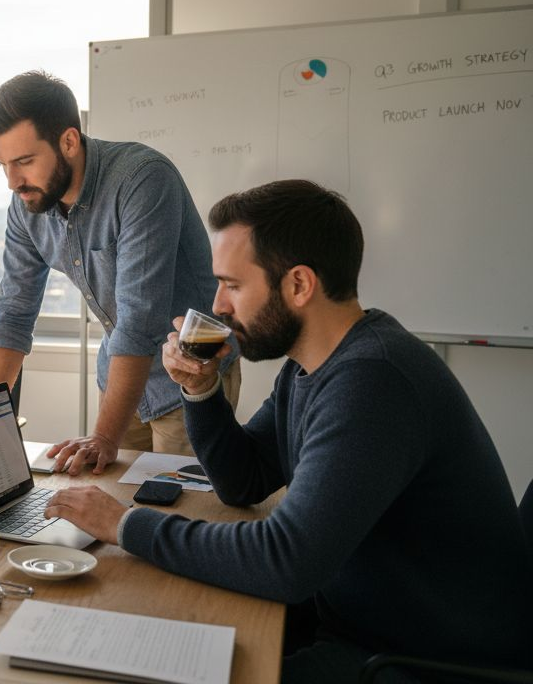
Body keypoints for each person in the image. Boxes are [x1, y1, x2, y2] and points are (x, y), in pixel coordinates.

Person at [43, 180, 532, 679]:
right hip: (356, 617)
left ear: (299, 284)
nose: (220, 305)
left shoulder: (373, 380)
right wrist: (200, 389)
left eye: (233, 285)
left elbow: (286, 560)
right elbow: (244, 481)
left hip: (424, 658)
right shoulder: (312, 366)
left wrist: (124, 526)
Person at [0, 70, 238, 474]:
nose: (13, 181)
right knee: (107, 504)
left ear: (68, 141)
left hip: (189, 375)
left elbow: (139, 319)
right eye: (2, 165)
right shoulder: (27, 204)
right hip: (121, 373)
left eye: (25, 161)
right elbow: (13, 312)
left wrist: (103, 436)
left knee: (177, 514)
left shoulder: (142, 180)